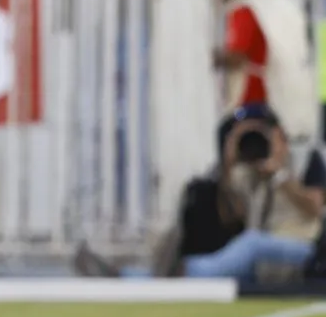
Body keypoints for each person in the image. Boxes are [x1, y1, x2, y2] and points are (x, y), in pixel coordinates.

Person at [76, 104, 325, 284]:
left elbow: (315, 206)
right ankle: (128, 277)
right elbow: (230, 215)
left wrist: (280, 174)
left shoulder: (305, 159)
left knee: (251, 243)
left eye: (261, 134)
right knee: (224, 264)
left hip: (304, 250)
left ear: (279, 134)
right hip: (263, 266)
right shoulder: (248, 171)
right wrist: (229, 161)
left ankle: (167, 272)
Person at [212, 0, 318, 181]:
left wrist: (212, 57)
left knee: (224, 139)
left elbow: (238, 55)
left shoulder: (245, 7)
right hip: (295, 111)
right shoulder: (285, 4)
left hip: (256, 106)